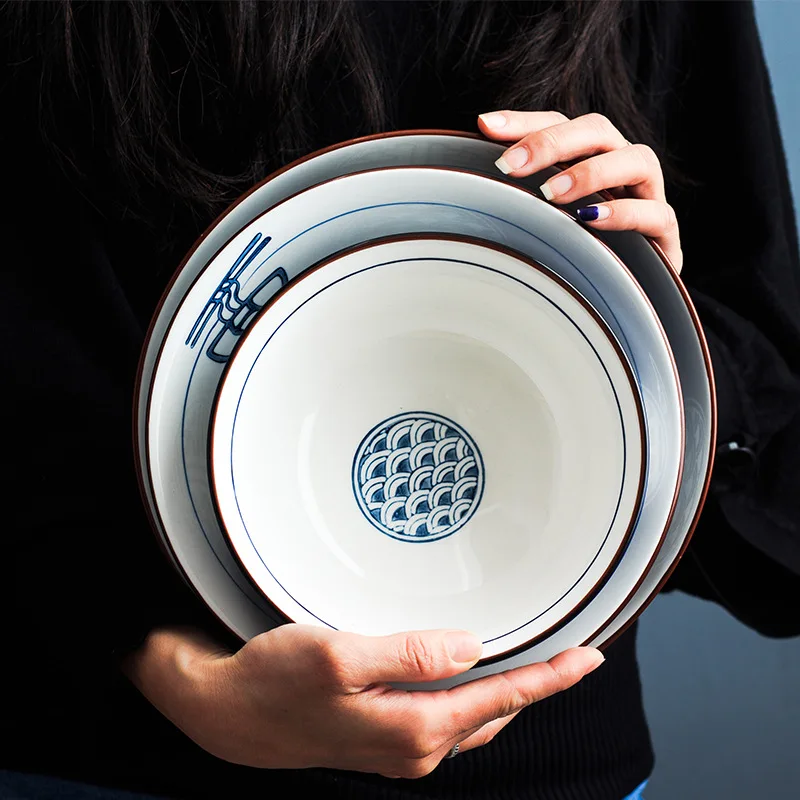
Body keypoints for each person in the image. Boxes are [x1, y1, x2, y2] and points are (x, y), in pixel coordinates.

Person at [2, 1, 799, 799]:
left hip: (549, 761)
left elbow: (768, 371)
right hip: (129, 756)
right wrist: (170, 674)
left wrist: (657, 328)